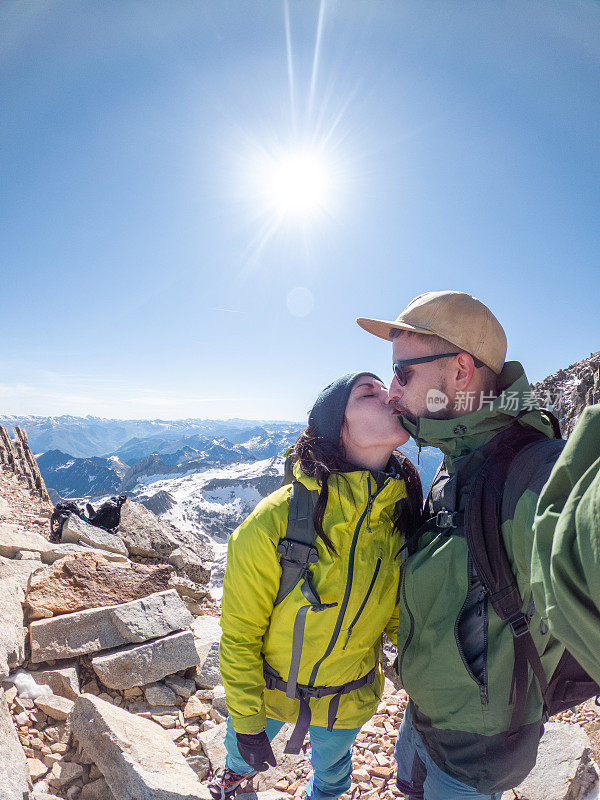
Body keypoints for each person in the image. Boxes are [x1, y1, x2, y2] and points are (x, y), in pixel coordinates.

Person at [356, 291, 569, 800]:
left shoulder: (535, 474)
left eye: (403, 373)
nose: (391, 392)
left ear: (461, 371)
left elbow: (577, 527)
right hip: (425, 717)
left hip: (477, 753)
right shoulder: (458, 454)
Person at [210, 372, 423, 800]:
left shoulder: (401, 517)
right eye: (369, 392)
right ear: (336, 424)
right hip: (269, 688)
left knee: (333, 769)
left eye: (390, 387)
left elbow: (400, 613)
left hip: (348, 694)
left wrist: (427, 670)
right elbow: (240, 635)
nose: (392, 393)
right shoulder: (275, 522)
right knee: (241, 748)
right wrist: (249, 725)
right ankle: (235, 772)